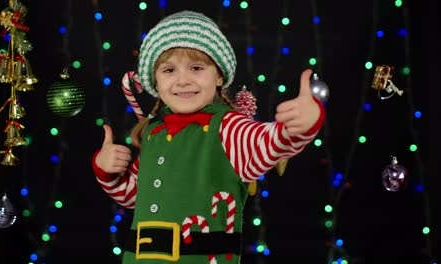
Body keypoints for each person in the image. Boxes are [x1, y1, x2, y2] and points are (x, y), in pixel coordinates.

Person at [92, 10, 325, 264]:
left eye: (196, 67)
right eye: (169, 70)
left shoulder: (228, 127)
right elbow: (135, 196)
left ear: (219, 76)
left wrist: (298, 127)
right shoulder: (153, 132)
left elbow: (266, 143)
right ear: (155, 83)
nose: (182, 80)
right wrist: (108, 171)